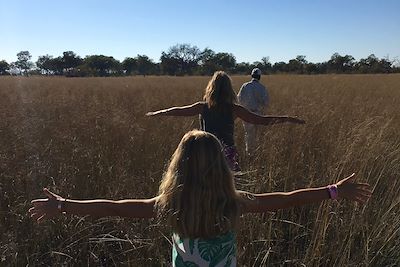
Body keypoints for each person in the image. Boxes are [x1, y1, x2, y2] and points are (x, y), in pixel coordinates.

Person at [29, 130, 372, 266]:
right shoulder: (233, 202)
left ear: (178, 166)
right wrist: (332, 192)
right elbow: (285, 199)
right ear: (222, 167)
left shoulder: (168, 205)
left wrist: (63, 205)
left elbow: (111, 208)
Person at [146, 71, 305, 171]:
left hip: (204, 152)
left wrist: (157, 113)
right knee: (230, 188)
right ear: (229, 89)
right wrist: (288, 119)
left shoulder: (202, 107)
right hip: (227, 153)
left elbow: (178, 111)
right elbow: (262, 120)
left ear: (211, 88)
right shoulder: (234, 109)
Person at [237, 68, 269, 156]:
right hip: (258, 114)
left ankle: (250, 154)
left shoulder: (245, 86)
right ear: (259, 77)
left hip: (247, 114)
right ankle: (258, 153)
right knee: (259, 135)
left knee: (249, 135)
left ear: (252, 76)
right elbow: (266, 103)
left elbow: (239, 99)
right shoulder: (262, 88)